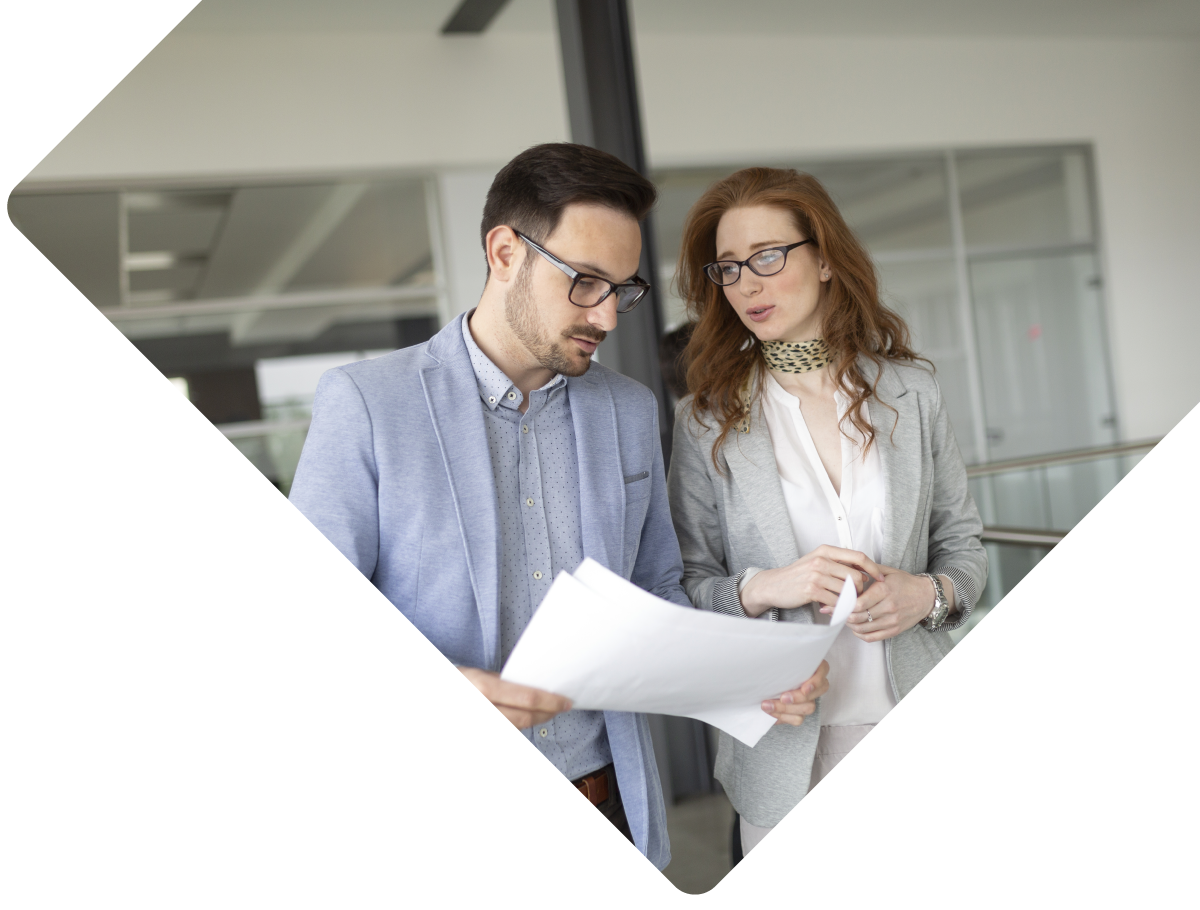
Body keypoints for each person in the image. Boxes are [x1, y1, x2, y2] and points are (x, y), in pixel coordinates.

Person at [287, 145, 828, 870]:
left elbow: (658, 596)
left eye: (622, 289)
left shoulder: (630, 411)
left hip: (609, 802)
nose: (607, 315)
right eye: (585, 283)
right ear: (505, 251)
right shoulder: (367, 403)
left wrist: (750, 673)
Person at [666, 167, 987, 856]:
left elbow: (964, 546)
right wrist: (761, 588)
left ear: (826, 259)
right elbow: (686, 590)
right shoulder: (703, 422)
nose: (747, 284)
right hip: (781, 748)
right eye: (728, 268)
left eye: (768, 257)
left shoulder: (912, 390)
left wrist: (927, 593)